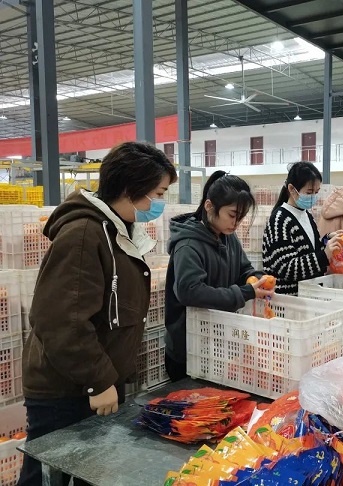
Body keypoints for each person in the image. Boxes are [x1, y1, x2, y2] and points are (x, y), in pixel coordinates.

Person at [18, 142, 177, 485]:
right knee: (45, 476)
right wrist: (99, 380)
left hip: (90, 382)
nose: (159, 203)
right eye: (158, 193)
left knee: (88, 470)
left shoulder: (116, 230)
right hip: (65, 388)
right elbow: (61, 321)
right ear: (130, 189)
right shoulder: (83, 235)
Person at [164, 171, 273, 382]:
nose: (236, 222)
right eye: (232, 215)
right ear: (209, 206)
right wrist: (244, 292)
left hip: (218, 343)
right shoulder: (188, 245)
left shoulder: (228, 237)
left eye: (241, 217)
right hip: (190, 348)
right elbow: (190, 291)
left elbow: (243, 269)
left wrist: (257, 278)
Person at [262, 162, 343, 295]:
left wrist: (328, 240)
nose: (313, 197)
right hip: (289, 298)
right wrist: (324, 255)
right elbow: (286, 268)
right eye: (309, 192)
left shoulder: (306, 215)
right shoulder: (279, 220)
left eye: (316, 192)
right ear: (292, 189)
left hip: (308, 294)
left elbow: (310, 251)